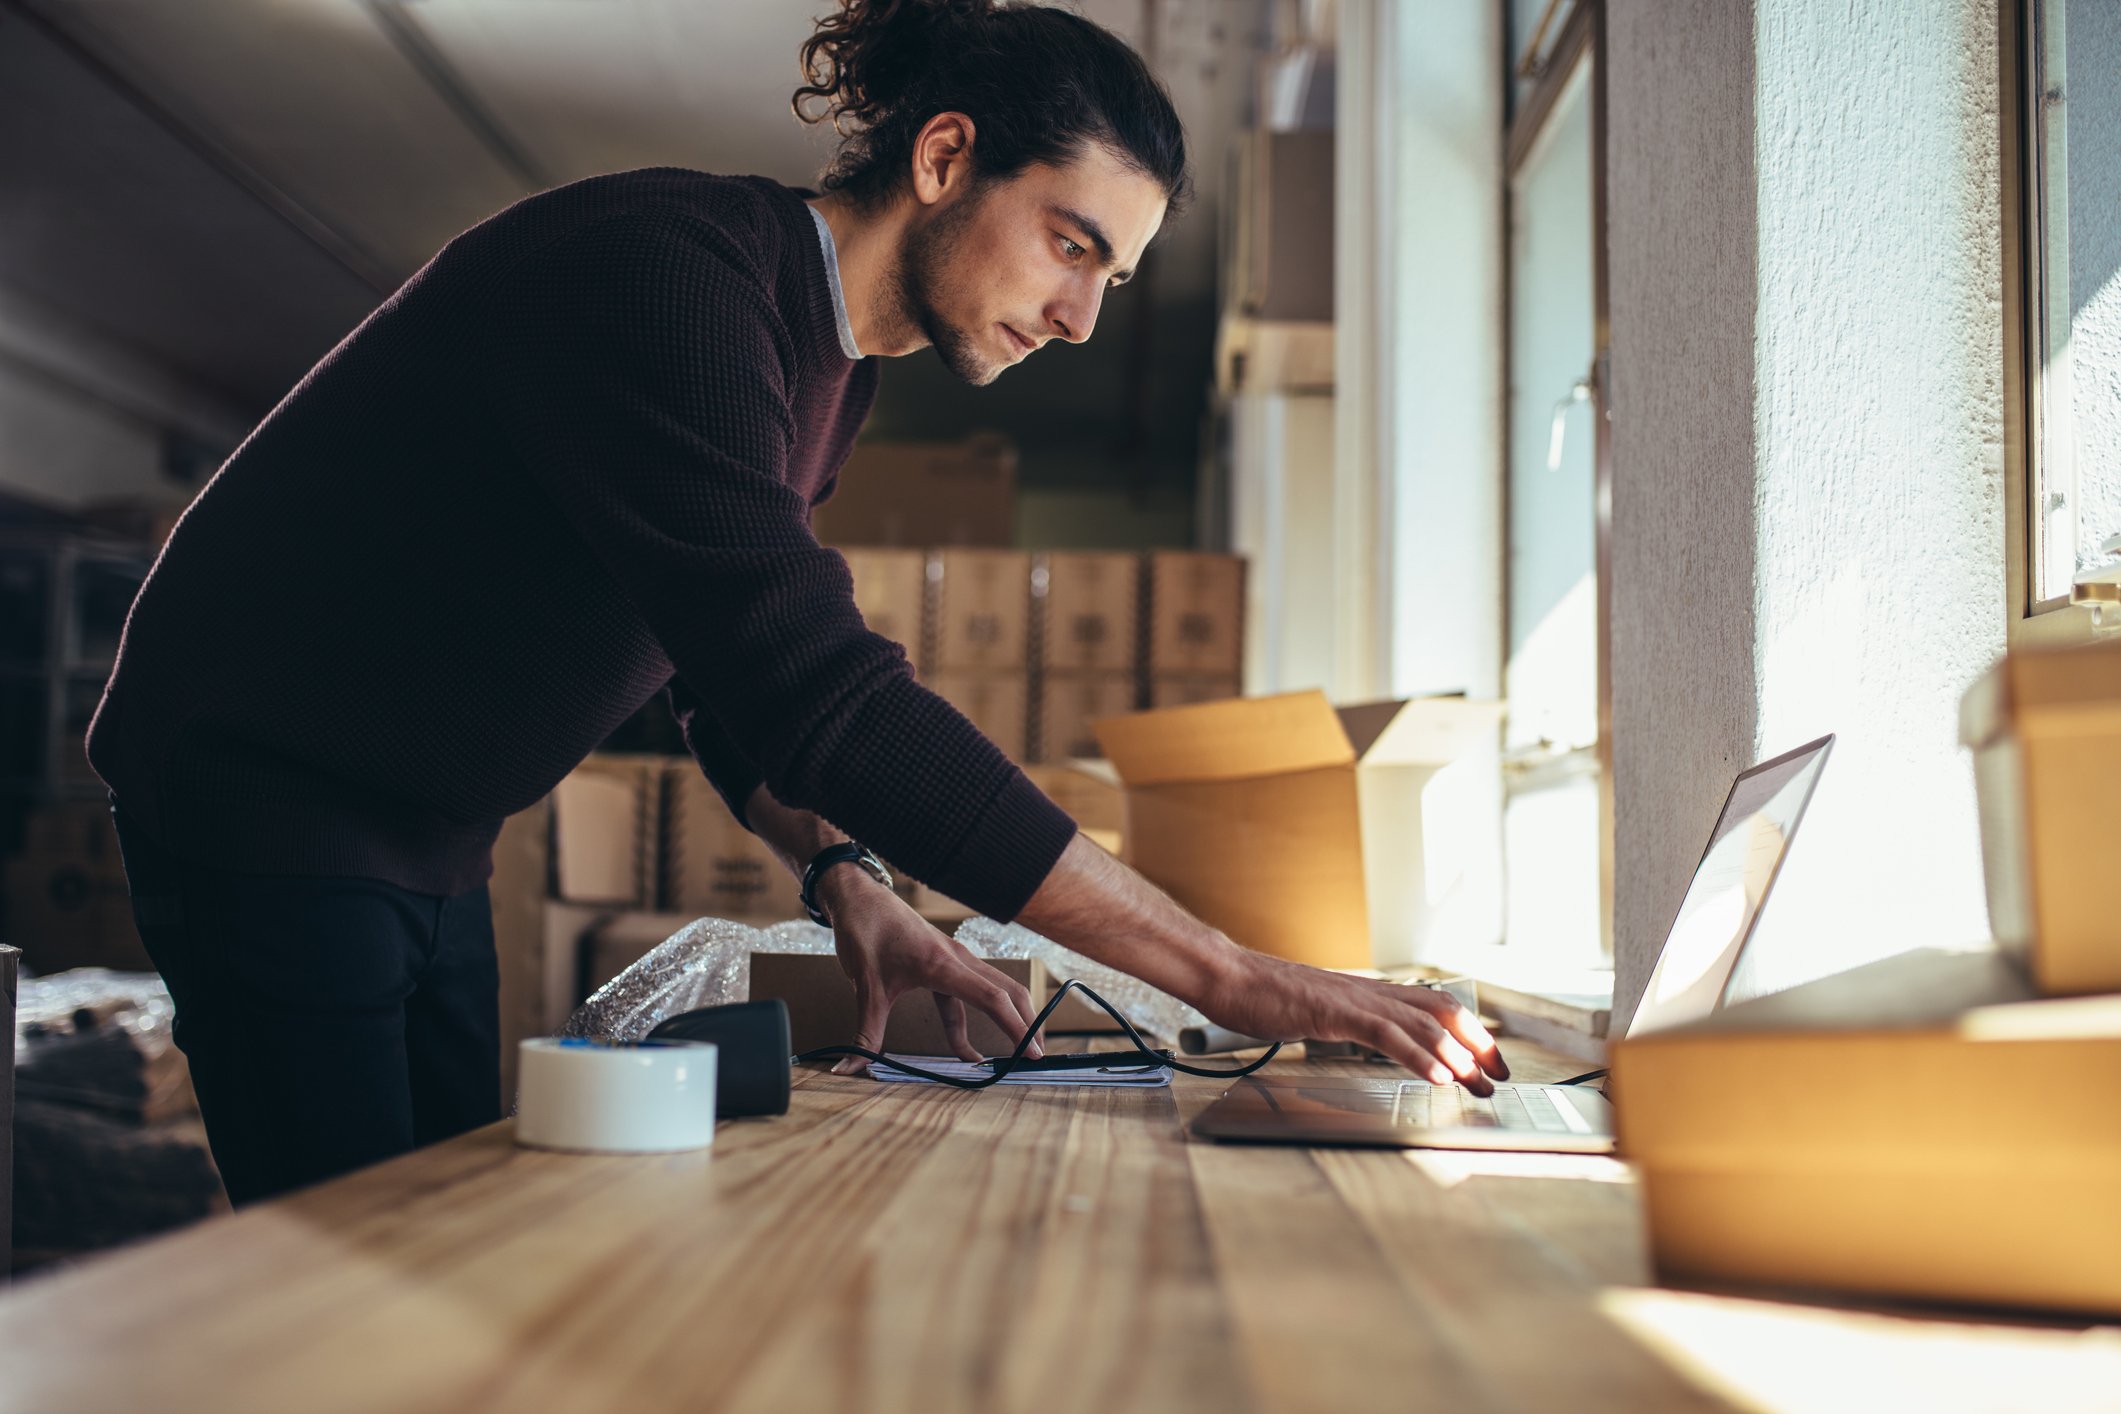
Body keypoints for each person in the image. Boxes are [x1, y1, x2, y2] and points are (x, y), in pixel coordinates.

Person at [86, 0, 1506, 1207]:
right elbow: (813, 683)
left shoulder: (833, 367)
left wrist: (846, 877)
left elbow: (716, 671)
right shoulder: (674, 282)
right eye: (1071, 243)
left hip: (427, 825)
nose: (1081, 318)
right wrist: (1231, 976)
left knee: (448, 1225)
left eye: (1112, 279)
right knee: (358, 1276)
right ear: (946, 155)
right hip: (262, 790)